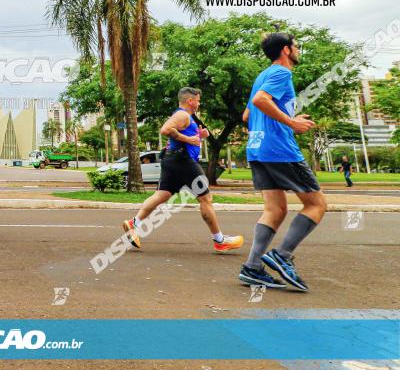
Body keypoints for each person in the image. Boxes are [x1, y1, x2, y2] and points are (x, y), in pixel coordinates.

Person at [238, 32, 327, 292]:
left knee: (275, 210)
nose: (298, 50)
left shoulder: (261, 76)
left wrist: (289, 115)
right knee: (316, 204)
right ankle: (282, 255)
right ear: (286, 50)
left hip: (257, 149)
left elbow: (247, 115)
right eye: (296, 46)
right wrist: (291, 122)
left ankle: (252, 268)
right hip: (279, 150)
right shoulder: (281, 73)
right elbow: (259, 102)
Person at [122, 87, 244, 253]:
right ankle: (220, 240)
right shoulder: (182, 115)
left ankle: (133, 223)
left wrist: (199, 135)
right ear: (190, 101)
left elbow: (185, 135)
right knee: (205, 198)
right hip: (182, 161)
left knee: (161, 195)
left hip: (172, 159)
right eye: (198, 100)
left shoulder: (188, 117)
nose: (199, 103)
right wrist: (189, 138)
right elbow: (165, 130)